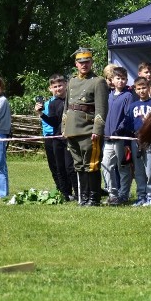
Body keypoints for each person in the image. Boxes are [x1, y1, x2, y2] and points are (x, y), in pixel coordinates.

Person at [62, 48, 109, 207]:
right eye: (81, 62)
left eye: (87, 62)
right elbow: (67, 107)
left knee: (91, 165)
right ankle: (83, 198)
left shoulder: (98, 81)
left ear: (91, 62)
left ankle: (94, 199)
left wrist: (97, 129)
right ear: (76, 64)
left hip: (89, 130)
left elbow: (101, 109)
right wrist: (64, 127)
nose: (84, 65)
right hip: (72, 130)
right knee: (79, 165)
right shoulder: (72, 81)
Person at [36, 74, 76, 201]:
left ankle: (79, 193)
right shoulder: (53, 104)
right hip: (57, 138)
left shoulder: (72, 100)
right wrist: (41, 114)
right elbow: (54, 122)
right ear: (51, 88)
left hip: (71, 138)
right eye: (55, 86)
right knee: (59, 168)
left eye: (60, 85)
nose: (58, 89)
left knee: (71, 167)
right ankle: (65, 194)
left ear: (66, 85)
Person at [102, 66, 134, 206]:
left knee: (123, 167)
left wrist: (119, 130)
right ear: (112, 80)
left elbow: (127, 116)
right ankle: (112, 194)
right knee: (106, 165)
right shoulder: (108, 95)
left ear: (126, 80)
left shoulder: (128, 96)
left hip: (121, 138)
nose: (120, 81)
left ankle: (123, 194)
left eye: (123, 79)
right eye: (118, 78)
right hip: (107, 138)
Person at [126, 76, 151, 206]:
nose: (141, 91)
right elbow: (129, 124)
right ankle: (141, 195)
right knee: (138, 170)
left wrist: (150, 123)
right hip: (136, 140)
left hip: (150, 139)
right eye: (139, 88)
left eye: (144, 88)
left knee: (150, 169)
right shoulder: (132, 106)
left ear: (148, 88)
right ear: (135, 90)